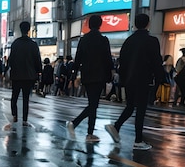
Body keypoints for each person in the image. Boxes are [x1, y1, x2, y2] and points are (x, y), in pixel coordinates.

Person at [105, 13, 164, 150]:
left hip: (130, 79)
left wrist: (123, 79)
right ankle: (138, 140)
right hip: (144, 79)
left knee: (131, 106)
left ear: (135, 24)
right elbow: (156, 62)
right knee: (141, 109)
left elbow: (122, 62)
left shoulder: (129, 41)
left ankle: (116, 126)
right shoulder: (152, 41)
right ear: (148, 24)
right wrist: (159, 78)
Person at [66, 15, 114, 142]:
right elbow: (108, 59)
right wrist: (110, 74)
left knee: (92, 104)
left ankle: (86, 130)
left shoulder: (84, 40)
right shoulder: (103, 40)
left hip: (87, 76)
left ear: (88, 25)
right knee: (93, 105)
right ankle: (81, 128)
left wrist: (74, 75)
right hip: (99, 76)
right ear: (100, 24)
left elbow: (77, 60)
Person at [6, 21, 42, 128]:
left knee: (15, 96)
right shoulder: (33, 44)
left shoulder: (15, 44)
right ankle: (25, 120)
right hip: (29, 76)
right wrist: (39, 72)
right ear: (28, 30)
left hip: (16, 75)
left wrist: (7, 69)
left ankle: (15, 115)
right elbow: (37, 60)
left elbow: (11, 59)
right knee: (26, 99)